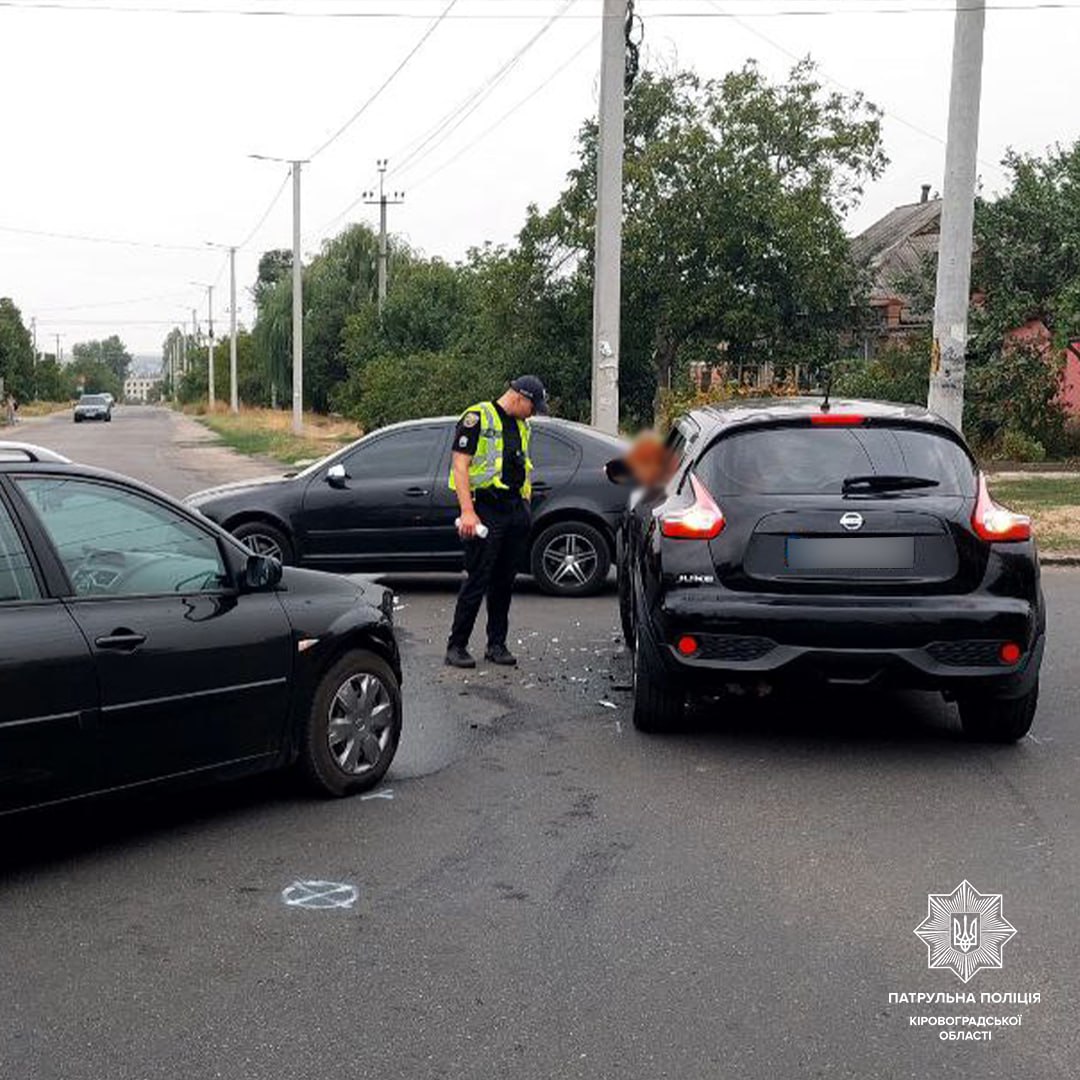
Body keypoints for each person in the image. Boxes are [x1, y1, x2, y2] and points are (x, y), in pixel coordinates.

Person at [445, 375, 548, 669]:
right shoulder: (477, 417)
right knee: (478, 578)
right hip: (485, 509)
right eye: (533, 406)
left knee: (504, 581)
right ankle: (457, 645)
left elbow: (523, 466)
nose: (534, 412)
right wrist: (467, 511)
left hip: (514, 509)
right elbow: (460, 466)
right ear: (519, 397)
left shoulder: (521, 425)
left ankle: (497, 644)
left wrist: (525, 507)